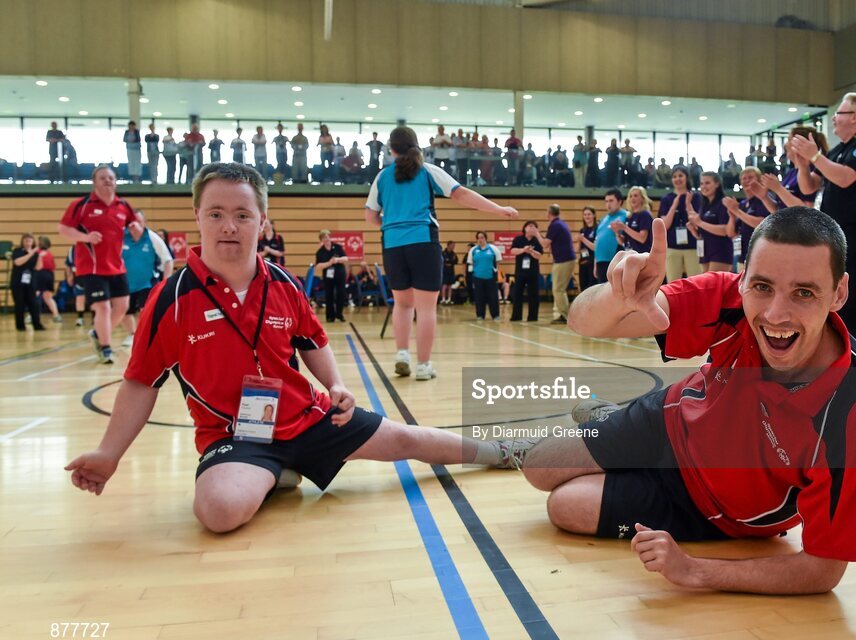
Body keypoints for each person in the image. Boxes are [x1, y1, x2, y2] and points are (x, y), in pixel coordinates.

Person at [63, 162, 527, 533]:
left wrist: (337, 384)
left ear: (262, 223)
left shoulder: (283, 283)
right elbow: (141, 382)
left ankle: (500, 451)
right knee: (220, 512)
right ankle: (274, 473)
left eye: (243, 215)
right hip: (235, 437)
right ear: (198, 217)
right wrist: (109, 454)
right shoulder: (172, 298)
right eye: (217, 214)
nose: (230, 226)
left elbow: (313, 341)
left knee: (408, 438)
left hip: (308, 418)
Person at [501, 207, 856, 595]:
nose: (775, 313)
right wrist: (618, 297)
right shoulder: (729, 299)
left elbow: (823, 570)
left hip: (711, 509)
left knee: (564, 507)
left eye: (804, 292)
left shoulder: (853, 405)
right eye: (762, 287)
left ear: (839, 292)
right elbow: (583, 321)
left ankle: (605, 422)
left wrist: (698, 571)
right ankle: (609, 420)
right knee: (538, 466)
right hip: (668, 421)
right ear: (744, 280)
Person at [364, 126, 518, 380]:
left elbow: (370, 215)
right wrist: (499, 209)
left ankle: (402, 354)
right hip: (423, 242)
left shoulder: (382, 177)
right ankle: (423, 366)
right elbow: (463, 195)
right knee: (426, 308)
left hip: (392, 245)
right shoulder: (427, 171)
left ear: (390, 149)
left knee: (402, 304)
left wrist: (392, 225)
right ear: (416, 146)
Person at [792, 92, 856, 351]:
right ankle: (837, 353)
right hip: (838, 234)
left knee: (854, 298)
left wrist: (815, 157)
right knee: (837, 295)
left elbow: (845, 178)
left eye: (839, 114)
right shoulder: (840, 149)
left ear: (855, 116)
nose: (834, 119)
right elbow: (810, 186)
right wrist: (803, 164)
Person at [57, 165, 138, 363]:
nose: (108, 180)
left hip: (117, 266)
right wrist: (86, 237)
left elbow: (134, 228)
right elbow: (63, 229)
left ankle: (98, 333)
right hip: (91, 267)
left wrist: (136, 228)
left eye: (111, 177)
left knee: (122, 306)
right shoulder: (82, 205)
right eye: (102, 178)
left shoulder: (123, 206)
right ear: (94, 182)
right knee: (103, 307)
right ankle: (105, 347)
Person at [120, 209, 173, 347]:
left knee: (146, 311)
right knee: (125, 312)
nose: (134, 225)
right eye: (132, 221)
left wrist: (166, 282)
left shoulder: (152, 237)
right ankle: (132, 334)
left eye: (138, 221)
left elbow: (167, 260)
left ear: (144, 223)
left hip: (147, 283)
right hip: (125, 283)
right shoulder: (121, 237)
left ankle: (146, 336)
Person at [724, 167, 777, 271]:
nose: (747, 181)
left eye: (750, 177)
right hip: (743, 256)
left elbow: (762, 223)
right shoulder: (743, 204)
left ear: (759, 180)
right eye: (744, 178)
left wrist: (737, 212)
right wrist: (732, 216)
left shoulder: (765, 199)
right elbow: (730, 233)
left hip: (761, 256)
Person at [764, 127, 827, 209]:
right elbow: (779, 211)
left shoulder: (812, 171)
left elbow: (809, 211)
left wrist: (779, 189)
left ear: (800, 143)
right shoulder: (792, 172)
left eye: (789, 139)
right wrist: (763, 197)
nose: (785, 145)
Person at [532, 205, 575, 324]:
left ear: (549, 213)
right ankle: (560, 314)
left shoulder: (554, 225)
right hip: (566, 259)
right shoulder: (560, 223)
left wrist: (536, 233)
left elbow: (545, 244)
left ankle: (564, 315)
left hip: (563, 260)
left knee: (558, 289)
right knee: (559, 289)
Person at [686, 172, 733, 273]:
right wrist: (694, 230)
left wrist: (700, 223)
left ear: (717, 184)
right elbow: (702, 231)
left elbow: (725, 230)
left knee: (715, 287)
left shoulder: (723, 203)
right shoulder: (704, 204)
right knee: (705, 287)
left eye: (707, 183)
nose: (704, 186)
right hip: (705, 251)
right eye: (701, 183)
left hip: (720, 251)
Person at [659, 167, 700, 281]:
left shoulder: (695, 197)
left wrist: (687, 203)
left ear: (687, 178)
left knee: (696, 282)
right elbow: (665, 225)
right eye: (674, 176)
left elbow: (697, 222)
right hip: (672, 247)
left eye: (680, 175)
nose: (677, 179)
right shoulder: (667, 199)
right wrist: (674, 204)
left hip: (693, 246)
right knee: (672, 284)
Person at [509, 221, 543, 322]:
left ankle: (533, 317)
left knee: (533, 295)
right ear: (525, 228)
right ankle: (516, 316)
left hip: (533, 272)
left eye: (534, 227)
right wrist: (523, 250)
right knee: (517, 294)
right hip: (520, 271)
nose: (532, 228)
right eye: (530, 226)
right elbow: (512, 251)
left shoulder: (537, 240)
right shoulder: (518, 239)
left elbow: (540, 255)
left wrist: (531, 251)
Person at [11, 233, 45, 331]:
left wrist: (39, 256)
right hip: (18, 282)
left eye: (30, 240)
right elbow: (17, 262)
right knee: (19, 304)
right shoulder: (17, 251)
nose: (28, 242)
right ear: (22, 242)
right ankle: (20, 326)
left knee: (34, 304)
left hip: (30, 282)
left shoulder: (36, 254)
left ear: (33, 242)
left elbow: (38, 267)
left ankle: (37, 324)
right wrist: (31, 253)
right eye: (26, 240)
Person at [314, 230, 348, 323]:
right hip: (328, 276)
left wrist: (337, 260)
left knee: (341, 294)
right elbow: (318, 266)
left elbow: (346, 258)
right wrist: (329, 263)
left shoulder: (337, 247)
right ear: (321, 239)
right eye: (324, 237)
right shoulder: (320, 252)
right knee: (329, 295)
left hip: (340, 274)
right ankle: (330, 316)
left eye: (328, 236)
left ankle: (339, 314)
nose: (327, 238)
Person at [594, 189, 627, 283]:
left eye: (611, 201)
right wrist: (595, 263)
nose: (608, 204)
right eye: (606, 201)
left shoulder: (626, 216)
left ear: (619, 201)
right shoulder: (603, 219)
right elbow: (597, 242)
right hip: (601, 261)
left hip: (615, 261)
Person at [470, 231, 502, 321]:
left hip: (491, 277)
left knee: (493, 297)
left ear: (485, 238)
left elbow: (498, 261)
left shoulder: (493, 249)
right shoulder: (473, 250)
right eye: (478, 238)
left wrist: (495, 270)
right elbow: (471, 263)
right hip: (477, 277)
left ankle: (495, 315)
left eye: (482, 237)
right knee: (479, 297)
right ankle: (480, 315)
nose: (480, 240)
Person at [614, 186, 654, 255]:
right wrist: (616, 232)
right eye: (630, 196)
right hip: (628, 253)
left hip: (641, 255)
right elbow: (622, 242)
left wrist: (624, 227)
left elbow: (642, 238)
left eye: (635, 196)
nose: (632, 198)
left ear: (642, 198)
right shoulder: (629, 216)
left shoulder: (645, 214)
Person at [35, 236, 62, 322]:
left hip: (39, 274)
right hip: (50, 275)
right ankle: (56, 315)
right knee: (48, 297)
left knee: (36, 295)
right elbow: (54, 267)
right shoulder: (50, 254)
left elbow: (36, 267)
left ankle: (32, 315)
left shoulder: (37, 253)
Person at [578, 206, 598, 292]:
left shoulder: (597, 229)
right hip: (583, 262)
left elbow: (595, 247)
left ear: (594, 215)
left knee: (592, 289)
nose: (587, 216)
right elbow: (580, 248)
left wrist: (583, 239)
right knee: (583, 289)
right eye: (585, 214)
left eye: (589, 214)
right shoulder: (582, 230)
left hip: (593, 262)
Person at [441, 240, 459, 305]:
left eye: (454, 246)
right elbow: (442, 261)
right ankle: (443, 299)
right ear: (448, 245)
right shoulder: (443, 253)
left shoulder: (454, 254)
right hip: (444, 271)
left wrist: (449, 262)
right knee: (444, 285)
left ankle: (449, 299)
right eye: (452, 245)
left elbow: (455, 261)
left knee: (450, 286)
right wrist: (448, 263)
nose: (453, 247)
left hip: (451, 272)